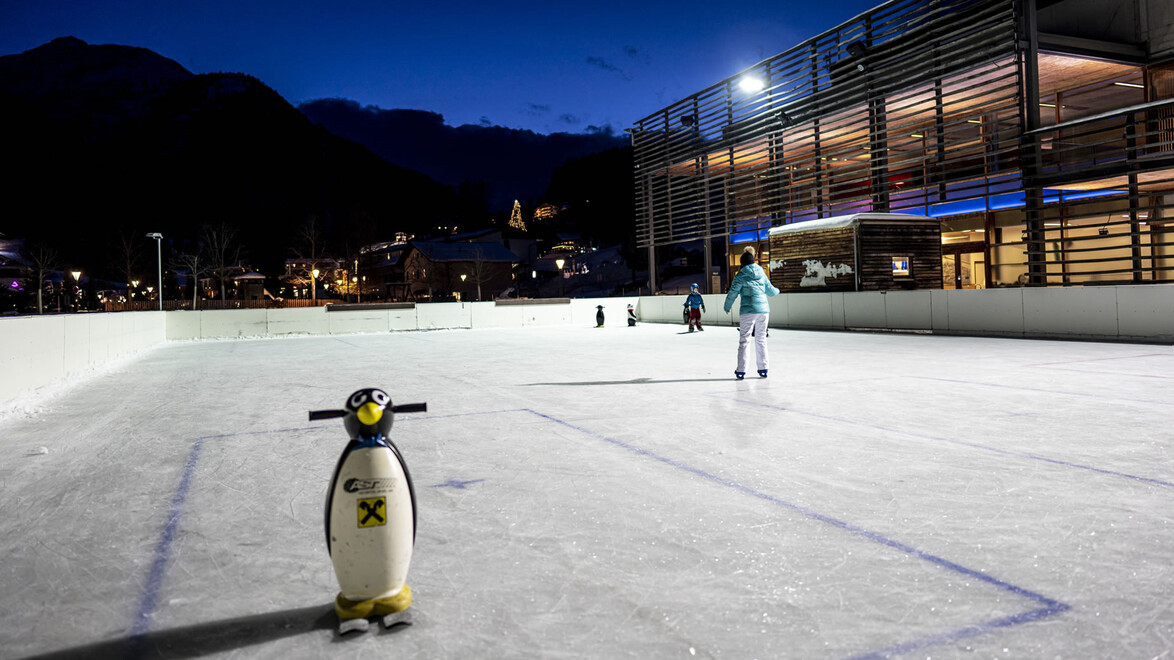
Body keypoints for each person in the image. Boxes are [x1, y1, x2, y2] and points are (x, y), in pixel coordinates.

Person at [723, 246, 779, 380]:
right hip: (763, 311)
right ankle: (763, 368)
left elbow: (732, 293)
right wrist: (778, 291)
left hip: (748, 311)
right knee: (761, 339)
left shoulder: (741, 275)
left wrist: (727, 306)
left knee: (745, 340)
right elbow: (771, 290)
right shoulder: (761, 271)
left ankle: (741, 370)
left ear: (742, 263)